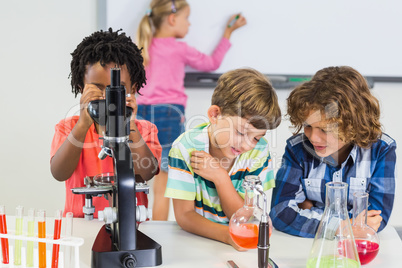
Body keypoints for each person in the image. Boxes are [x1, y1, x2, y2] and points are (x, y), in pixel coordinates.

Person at [135, 0, 247, 221]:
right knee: (164, 181)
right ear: (172, 19)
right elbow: (212, 63)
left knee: (140, 175)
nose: (189, 24)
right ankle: (158, 231)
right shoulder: (178, 48)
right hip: (169, 114)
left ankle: (141, 226)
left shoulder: (142, 46)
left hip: (140, 114)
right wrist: (228, 33)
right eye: (187, 19)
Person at [270, 66, 397, 238]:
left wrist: (309, 210)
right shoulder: (297, 149)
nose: (313, 138)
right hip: (307, 248)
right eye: (308, 126)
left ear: (353, 124)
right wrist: (341, 226)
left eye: (325, 130)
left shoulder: (381, 150)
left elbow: (375, 220)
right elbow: (280, 213)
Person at [50, 28, 162, 218]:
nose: (106, 96)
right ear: (81, 88)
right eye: (97, 88)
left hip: (131, 222)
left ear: (133, 90)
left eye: (115, 89)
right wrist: (84, 123)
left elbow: (147, 173)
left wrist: (130, 125)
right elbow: (59, 173)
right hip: (82, 223)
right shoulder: (68, 128)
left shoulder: (144, 130)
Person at [165, 68, 282, 249]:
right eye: (240, 132)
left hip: (243, 244)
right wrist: (228, 237)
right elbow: (185, 216)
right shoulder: (185, 147)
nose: (246, 145)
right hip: (197, 243)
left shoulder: (259, 151)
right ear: (215, 114)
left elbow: (249, 216)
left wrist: (221, 178)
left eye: (256, 137)